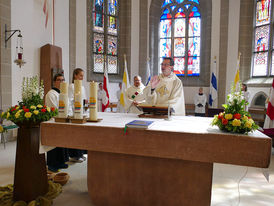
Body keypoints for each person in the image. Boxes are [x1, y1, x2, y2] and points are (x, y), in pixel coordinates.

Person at [45, 73, 69, 172]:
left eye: (63, 80)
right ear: (54, 82)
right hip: (53, 121)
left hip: (62, 120)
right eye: (59, 80)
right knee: (53, 144)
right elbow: (54, 109)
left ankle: (60, 161)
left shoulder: (62, 93)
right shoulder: (51, 94)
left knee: (61, 143)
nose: (61, 82)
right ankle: (52, 164)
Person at [68, 68, 87, 162]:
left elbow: (84, 99)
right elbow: (70, 99)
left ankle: (80, 153)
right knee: (74, 134)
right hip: (74, 111)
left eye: (83, 76)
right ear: (75, 75)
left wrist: (85, 104)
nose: (82, 78)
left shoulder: (82, 87)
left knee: (81, 133)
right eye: (80, 75)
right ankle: (74, 155)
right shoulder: (71, 86)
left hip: (82, 111)